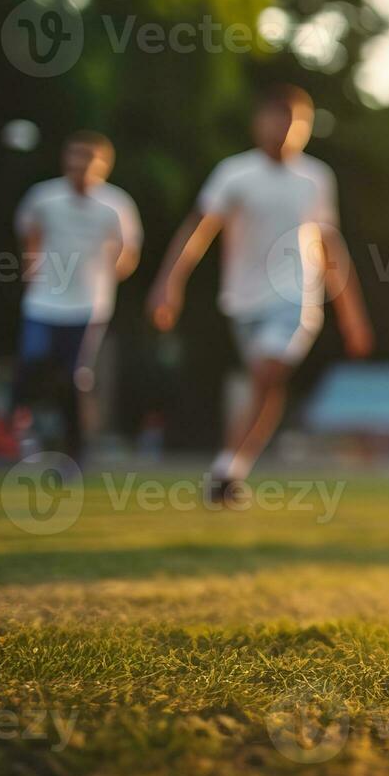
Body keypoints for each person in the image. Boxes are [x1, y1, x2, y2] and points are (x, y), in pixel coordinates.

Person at [146, 85, 373, 503]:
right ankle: (231, 473)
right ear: (259, 122)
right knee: (264, 385)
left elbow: (330, 248)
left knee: (267, 373)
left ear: (306, 128)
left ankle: (225, 467)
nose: (285, 128)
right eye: (276, 117)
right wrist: (168, 282)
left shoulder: (316, 178)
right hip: (243, 300)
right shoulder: (235, 174)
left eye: (295, 121)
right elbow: (198, 230)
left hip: (295, 297)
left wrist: (351, 313)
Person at [0, 131, 141, 466]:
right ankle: (13, 431)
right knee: (31, 363)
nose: (79, 164)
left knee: (73, 379)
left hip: (88, 305)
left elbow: (129, 252)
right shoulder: (43, 197)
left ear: (104, 164)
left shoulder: (117, 205)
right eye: (74, 155)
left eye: (88, 157)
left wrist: (110, 271)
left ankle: (74, 451)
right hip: (43, 301)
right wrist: (33, 265)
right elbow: (30, 230)